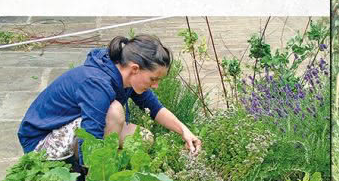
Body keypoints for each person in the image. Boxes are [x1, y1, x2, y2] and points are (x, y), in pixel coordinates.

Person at [17, 35, 201, 167]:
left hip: (70, 131)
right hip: (41, 143)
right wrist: (94, 177)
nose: (156, 86)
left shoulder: (126, 78)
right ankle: (93, 178)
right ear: (135, 69)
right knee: (114, 111)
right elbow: (92, 132)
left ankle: (110, 166)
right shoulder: (97, 83)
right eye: (153, 79)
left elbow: (155, 108)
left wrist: (185, 131)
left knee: (143, 139)